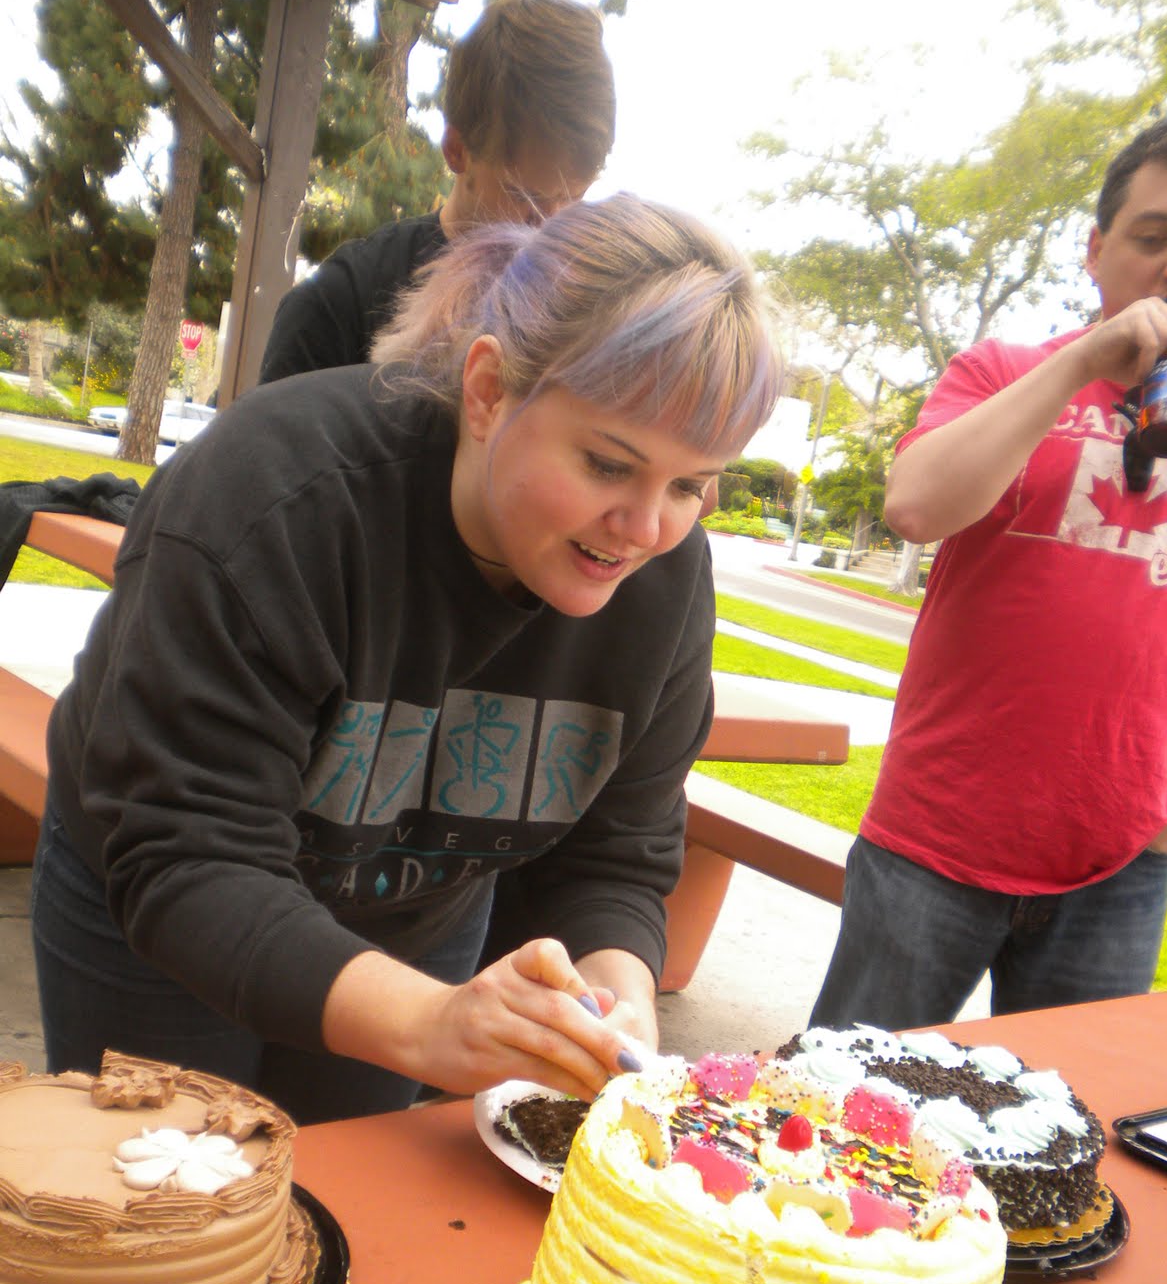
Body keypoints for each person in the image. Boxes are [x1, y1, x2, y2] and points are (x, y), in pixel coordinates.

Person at [31, 193, 783, 1124]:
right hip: (162, 916)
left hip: (415, 917)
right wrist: (431, 1025)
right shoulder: (278, 495)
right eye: (607, 464)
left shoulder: (667, 579)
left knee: (350, 1199)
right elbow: (188, 850)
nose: (645, 529)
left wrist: (616, 995)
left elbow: (617, 853)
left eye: (691, 485)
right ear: (489, 390)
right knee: (166, 1197)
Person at [809, 111, 1167, 1033]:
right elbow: (917, 507)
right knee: (837, 1096)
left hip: (1121, 863)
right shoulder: (1004, 371)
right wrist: (1082, 363)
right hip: (934, 839)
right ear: (1096, 252)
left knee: (1060, 1116)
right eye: (1153, 237)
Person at [257, 0, 616, 385]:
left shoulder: (586, 313)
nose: (550, 226)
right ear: (457, 150)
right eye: (526, 197)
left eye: (574, 198)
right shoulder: (338, 304)